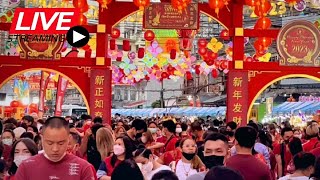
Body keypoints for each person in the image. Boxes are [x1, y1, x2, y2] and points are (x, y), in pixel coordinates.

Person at [15, 116, 96, 180]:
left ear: (68, 139)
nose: (55, 149)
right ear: (42, 139)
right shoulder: (26, 167)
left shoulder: (83, 168)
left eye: (61, 143)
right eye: (50, 143)